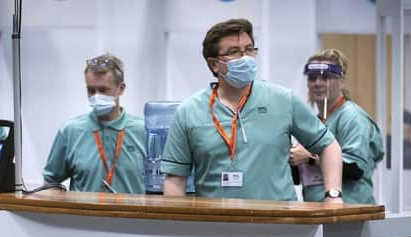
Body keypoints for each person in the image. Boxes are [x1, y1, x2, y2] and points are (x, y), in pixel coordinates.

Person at [160, 19, 343, 203]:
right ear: (214, 64)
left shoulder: (283, 100)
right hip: (215, 225)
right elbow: (175, 178)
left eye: (249, 49)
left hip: (280, 224)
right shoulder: (189, 111)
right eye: (234, 52)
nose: (245, 57)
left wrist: (333, 195)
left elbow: (329, 146)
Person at [290, 49, 384, 204]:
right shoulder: (315, 122)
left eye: (326, 78)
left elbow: (354, 169)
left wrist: (310, 158)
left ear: (341, 80)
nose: (318, 83)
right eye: (312, 78)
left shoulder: (352, 117)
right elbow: (298, 178)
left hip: (350, 209)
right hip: (317, 210)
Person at [43, 54, 145, 193]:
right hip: (84, 214)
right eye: (91, 90)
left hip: (130, 214)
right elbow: (50, 182)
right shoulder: (70, 131)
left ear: (121, 88)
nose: (96, 96)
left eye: (103, 90)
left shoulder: (144, 131)